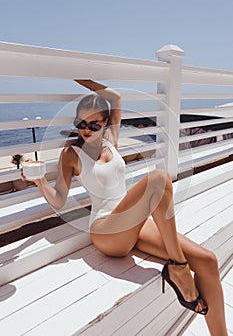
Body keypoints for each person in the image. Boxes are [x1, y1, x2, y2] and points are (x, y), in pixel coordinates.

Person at [24, 80, 228, 336]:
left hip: (135, 224)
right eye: (81, 123)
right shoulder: (72, 154)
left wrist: (83, 76)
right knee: (159, 178)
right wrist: (39, 180)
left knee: (208, 260)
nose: (86, 130)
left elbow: (116, 98)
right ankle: (178, 268)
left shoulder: (111, 139)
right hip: (106, 231)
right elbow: (59, 199)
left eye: (94, 124)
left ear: (105, 124)